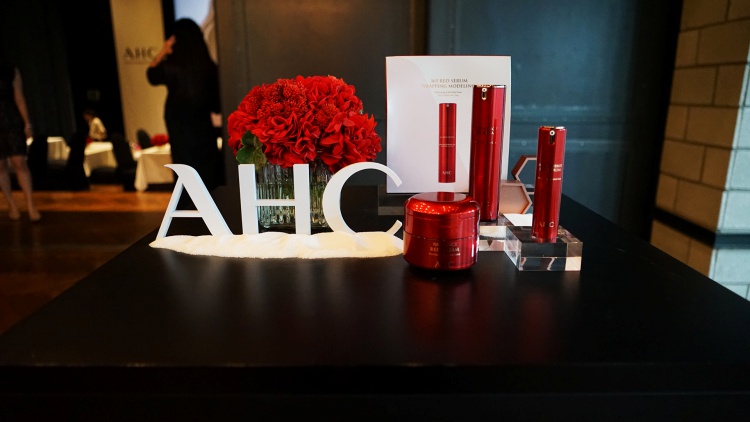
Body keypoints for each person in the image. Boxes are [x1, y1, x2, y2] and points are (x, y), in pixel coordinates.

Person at [147, 18, 222, 191]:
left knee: (183, 166)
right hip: (202, 126)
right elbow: (216, 106)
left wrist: (164, 50)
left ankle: (185, 200)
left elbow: (151, 75)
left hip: (177, 124)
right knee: (205, 168)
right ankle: (209, 201)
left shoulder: (171, 67)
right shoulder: (208, 67)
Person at [0, 59, 41, 222]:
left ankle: (31, 205)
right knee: (0, 166)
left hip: (11, 120)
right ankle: (12, 205)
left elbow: (19, 98)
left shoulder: (10, 70)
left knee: (19, 162)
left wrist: (27, 123)